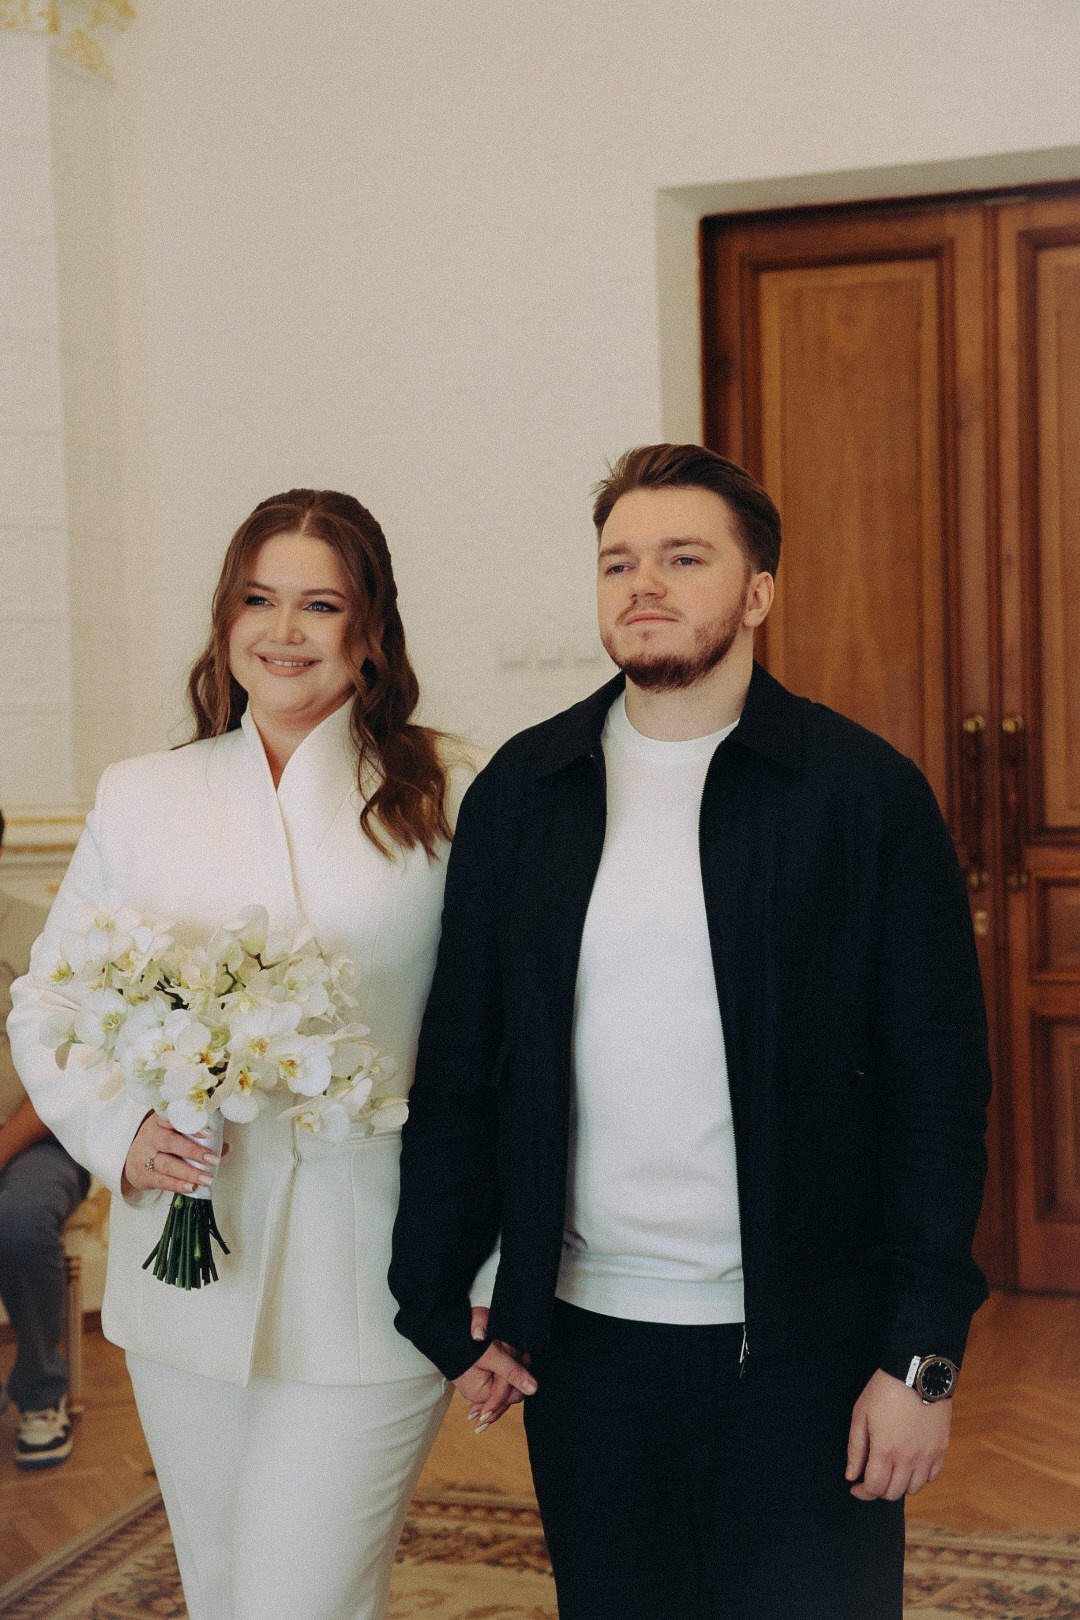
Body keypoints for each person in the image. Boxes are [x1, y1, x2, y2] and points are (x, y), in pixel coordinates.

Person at [390, 444, 991, 1620]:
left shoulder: (861, 793)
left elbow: (936, 1091)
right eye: (618, 561)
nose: (642, 584)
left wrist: (923, 1358)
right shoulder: (526, 789)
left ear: (758, 590)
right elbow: (463, 1064)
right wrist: (438, 1301)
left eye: (682, 557)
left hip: (806, 1349)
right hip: (586, 1341)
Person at [9, 490, 491, 1620]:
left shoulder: (449, 789)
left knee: (296, 1602)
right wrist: (119, 1134)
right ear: (226, 619)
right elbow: (49, 997)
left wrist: (487, 1264)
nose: (285, 630)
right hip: (185, 1269)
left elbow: (497, 1046)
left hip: (374, 1263)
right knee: (229, 1592)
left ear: (368, 629)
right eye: (259, 599)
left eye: (320, 603)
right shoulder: (145, 794)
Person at [0, 811, 88, 1468]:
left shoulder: (40, 931)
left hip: (45, 1137)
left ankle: (39, 1391)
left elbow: (71, 1067)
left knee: (20, 1220)